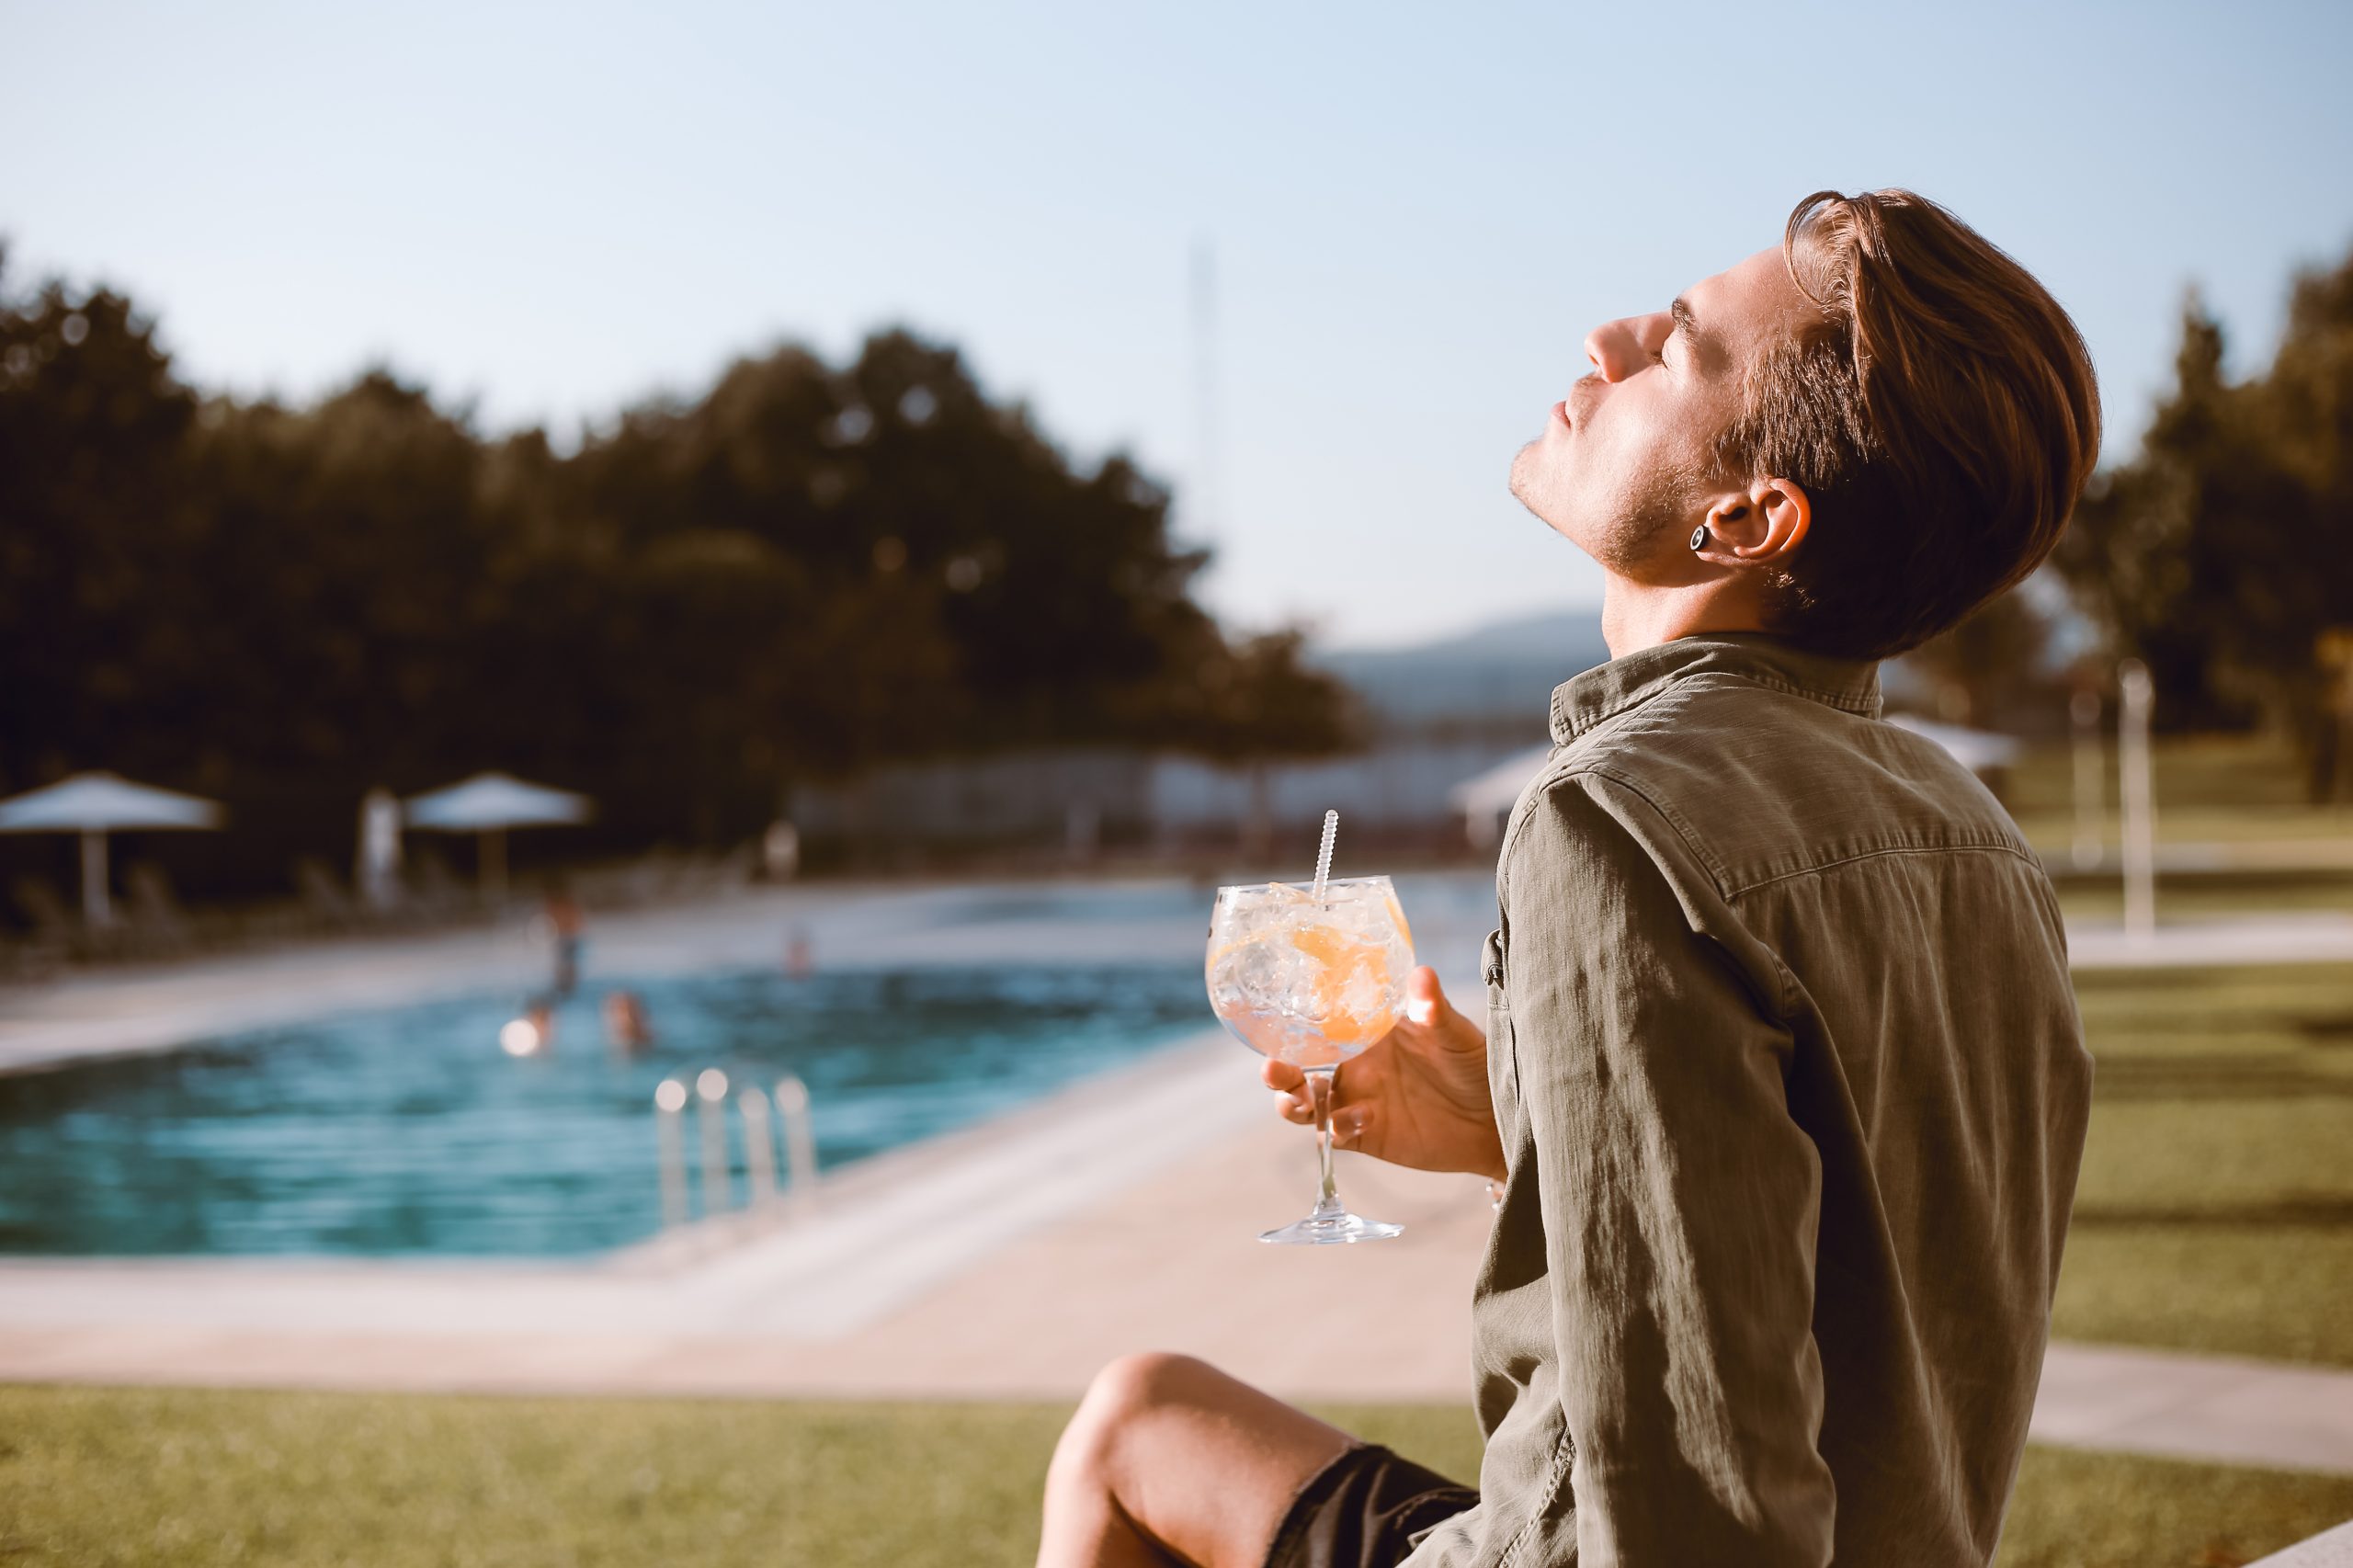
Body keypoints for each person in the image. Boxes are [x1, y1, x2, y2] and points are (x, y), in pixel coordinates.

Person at [1037, 189, 2100, 1568]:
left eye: (1675, 350)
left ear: (1746, 520)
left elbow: (1697, 1496)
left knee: (1128, 1434)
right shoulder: (1974, 833)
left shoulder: (1614, 818)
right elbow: (1844, 1259)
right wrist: (1505, 1124)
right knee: (1143, 1412)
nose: (1609, 335)